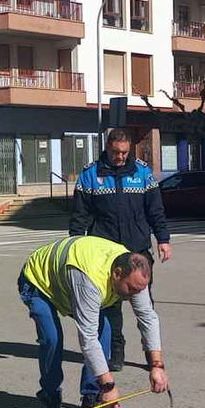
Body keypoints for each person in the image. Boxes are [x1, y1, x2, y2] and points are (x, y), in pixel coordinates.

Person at [19, 235, 171, 408]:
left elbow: (147, 317)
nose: (134, 295)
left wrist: (157, 366)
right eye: (131, 289)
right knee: (52, 338)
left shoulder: (135, 275)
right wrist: (109, 385)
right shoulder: (90, 279)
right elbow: (88, 338)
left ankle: (91, 402)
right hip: (39, 282)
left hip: (69, 282)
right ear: (117, 273)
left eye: (138, 291)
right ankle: (51, 402)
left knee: (104, 330)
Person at [69, 128, 171, 373]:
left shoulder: (142, 172)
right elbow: (80, 215)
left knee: (144, 305)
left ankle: (152, 354)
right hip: (106, 255)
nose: (120, 157)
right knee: (110, 307)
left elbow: (155, 209)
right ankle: (116, 350)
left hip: (138, 250)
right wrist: (75, 244)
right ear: (107, 147)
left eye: (125, 152)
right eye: (116, 152)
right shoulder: (90, 174)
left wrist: (163, 239)